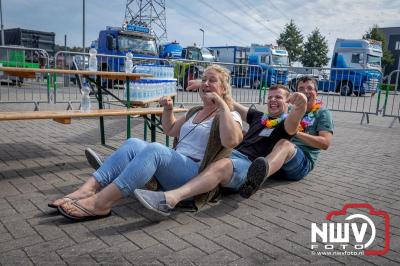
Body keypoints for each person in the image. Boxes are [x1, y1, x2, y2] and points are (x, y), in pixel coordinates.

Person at [49, 64, 243, 221]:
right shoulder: (195, 111)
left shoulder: (229, 114)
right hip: (177, 166)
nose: (206, 84)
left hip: (195, 175)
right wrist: (168, 109)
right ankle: (87, 189)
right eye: (204, 80)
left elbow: (230, 141)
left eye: (212, 80)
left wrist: (223, 105)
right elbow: (170, 130)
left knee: (155, 149)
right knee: (134, 142)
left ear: (224, 88)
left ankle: (101, 203)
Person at [132, 83, 309, 216]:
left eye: (278, 97)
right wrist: (206, 86)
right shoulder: (258, 117)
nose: (272, 100)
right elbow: (229, 103)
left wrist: (300, 106)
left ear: (288, 102)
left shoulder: (286, 124)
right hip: (231, 154)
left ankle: (169, 199)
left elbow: (294, 121)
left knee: (222, 165)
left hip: (247, 165)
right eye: (270, 97)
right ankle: (139, 175)